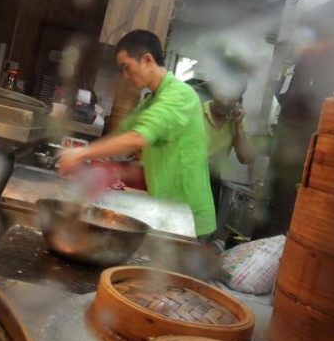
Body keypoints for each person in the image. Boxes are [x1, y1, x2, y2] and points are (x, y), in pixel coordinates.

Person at [57, 30, 216, 238]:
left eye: (127, 67)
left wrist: (81, 154)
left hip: (188, 219)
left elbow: (137, 138)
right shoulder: (151, 100)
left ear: (147, 60)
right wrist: (90, 161)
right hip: (168, 211)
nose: (125, 75)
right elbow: (123, 133)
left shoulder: (179, 95)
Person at [203, 81, 255, 210]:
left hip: (211, 181)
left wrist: (238, 126)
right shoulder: (194, 112)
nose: (225, 102)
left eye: (231, 98)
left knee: (205, 228)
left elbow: (245, 158)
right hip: (184, 176)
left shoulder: (238, 123)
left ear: (239, 100)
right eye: (223, 95)